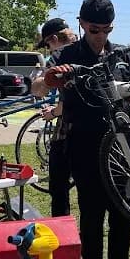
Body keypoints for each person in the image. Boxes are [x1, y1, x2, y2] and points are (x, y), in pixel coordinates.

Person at [38, 0, 130, 259]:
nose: (101, 36)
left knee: (123, 217)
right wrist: (48, 81)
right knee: (91, 218)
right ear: (82, 24)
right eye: (95, 30)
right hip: (85, 149)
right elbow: (41, 84)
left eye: (107, 30)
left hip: (123, 151)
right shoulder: (68, 54)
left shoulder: (123, 57)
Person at [33, 17, 77, 217]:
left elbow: (40, 91)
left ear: (53, 38)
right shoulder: (91, 48)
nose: (49, 49)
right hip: (100, 130)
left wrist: (51, 112)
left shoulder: (60, 56)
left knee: (58, 187)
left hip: (69, 130)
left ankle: (61, 233)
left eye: (48, 44)